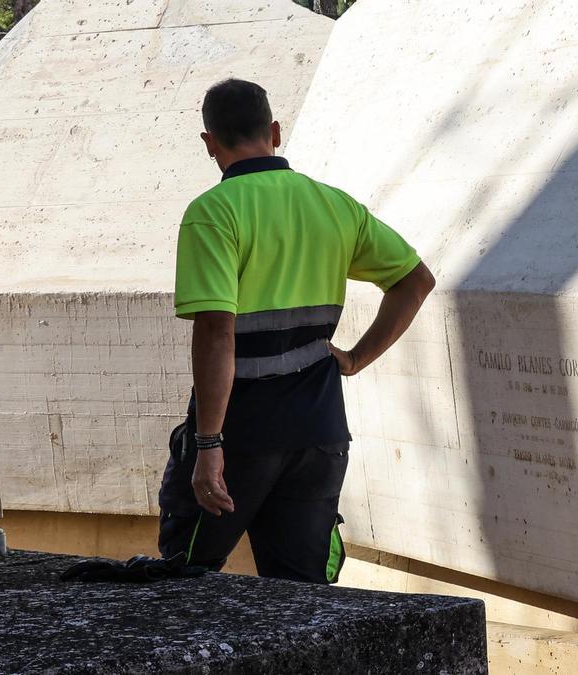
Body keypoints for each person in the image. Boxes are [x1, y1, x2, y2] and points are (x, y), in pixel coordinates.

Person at [157, 78, 434, 584]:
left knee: (184, 578)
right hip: (319, 431)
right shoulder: (334, 205)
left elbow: (218, 333)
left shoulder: (214, 213)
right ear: (275, 132)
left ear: (209, 142)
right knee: (304, 592)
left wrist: (208, 443)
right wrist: (354, 358)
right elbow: (415, 281)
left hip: (241, 431)